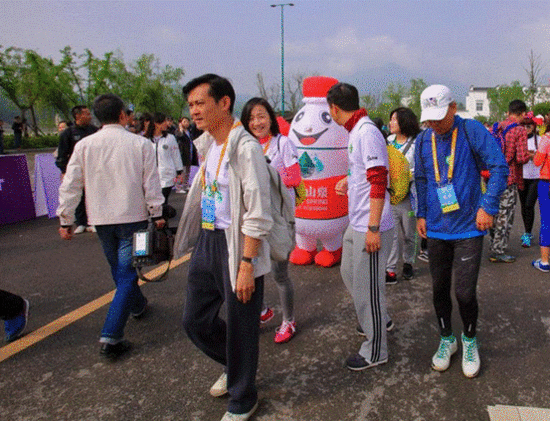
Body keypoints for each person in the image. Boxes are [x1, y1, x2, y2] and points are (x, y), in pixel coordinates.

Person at [175, 74, 272, 421]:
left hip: (238, 246)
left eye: (201, 103)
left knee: (242, 325)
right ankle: (235, 366)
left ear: (225, 103)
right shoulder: (208, 144)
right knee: (194, 320)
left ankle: (243, 397)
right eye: (191, 105)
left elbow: (259, 213)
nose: (194, 111)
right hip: (208, 239)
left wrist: (247, 262)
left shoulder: (245, 148)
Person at [57, 93, 165, 359]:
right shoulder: (140, 144)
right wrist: (157, 212)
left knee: (119, 269)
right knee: (127, 273)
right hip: (135, 220)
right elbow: (151, 183)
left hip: (101, 222)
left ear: (97, 117)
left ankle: (137, 306)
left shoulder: (85, 145)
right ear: (122, 115)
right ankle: (112, 335)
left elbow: (71, 183)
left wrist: (66, 218)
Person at [415, 85, 508, 378]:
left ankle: (469, 340)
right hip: (436, 228)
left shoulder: (471, 130)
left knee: (464, 294)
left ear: (453, 107)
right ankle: (447, 339)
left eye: (440, 117)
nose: (435, 124)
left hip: (469, 225)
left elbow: (499, 167)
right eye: (429, 118)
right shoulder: (422, 140)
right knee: (439, 291)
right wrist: (420, 214)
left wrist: (488, 206)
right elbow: (420, 178)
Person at [327, 82, 395, 371]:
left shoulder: (366, 132)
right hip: (358, 221)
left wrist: (374, 227)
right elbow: (364, 172)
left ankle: (376, 349)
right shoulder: (356, 131)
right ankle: (380, 319)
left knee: (368, 290)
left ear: (334, 108)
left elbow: (379, 178)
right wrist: (348, 180)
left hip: (370, 223)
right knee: (350, 274)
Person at [241, 97, 300, 344]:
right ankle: (263, 311)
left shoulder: (283, 144)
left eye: (262, 116)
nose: (257, 122)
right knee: (251, 271)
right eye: (252, 118)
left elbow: (295, 176)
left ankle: (289, 321)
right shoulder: (245, 146)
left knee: (279, 274)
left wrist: (266, 177)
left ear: (271, 118)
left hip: (276, 220)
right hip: (253, 220)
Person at [489, 100, 530, 263]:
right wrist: (531, 156)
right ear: (522, 113)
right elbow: (521, 157)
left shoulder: (496, 126)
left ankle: (493, 245)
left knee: (493, 212)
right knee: (505, 215)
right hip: (509, 177)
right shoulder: (519, 130)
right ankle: (498, 251)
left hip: (491, 177)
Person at [385, 107, 421, 284]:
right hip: (390, 196)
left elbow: (419, 169)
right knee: (390, 234)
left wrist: (405, 174)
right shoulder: (388, 141)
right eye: (390, 119)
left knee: (409, 233)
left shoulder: (416, 143)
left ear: (404, 122)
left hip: (408, 197)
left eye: (394, 119)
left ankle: (408, 262)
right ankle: (390, 269)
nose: (391, 123)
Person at [55, 105, 98, 234]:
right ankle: (81, 223)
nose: (89, 116)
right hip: (76, 170)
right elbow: (62, 154)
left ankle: (93, 221)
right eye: (86, 114)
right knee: (77, 196)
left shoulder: (95, 130)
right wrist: (64, 170)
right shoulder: (68, 133)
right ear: (78, 116)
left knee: (93, 195)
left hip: (94, 170)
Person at [144, 112, 184, 205]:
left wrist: (179, 172)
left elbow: (176, 155)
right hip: (150, 175)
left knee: (163, 199)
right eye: (163, 122)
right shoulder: (146, 140)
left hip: (166, 175)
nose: (166, 124)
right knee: (153, 201)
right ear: (156, 124)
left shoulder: (170, 138)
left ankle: (162, 217)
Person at [518, 113, 541, 248]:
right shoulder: (519, 140)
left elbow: (543, 158)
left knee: (529, 205)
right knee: (523, 206)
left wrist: (533, 155)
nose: (526, 128)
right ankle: (528, 231)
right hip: (522, 176)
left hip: (536, 177)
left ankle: (527, 233)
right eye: (524, 126)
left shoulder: (540, 139)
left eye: (529, 126)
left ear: (534, 126)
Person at [532, 127, 550, 272]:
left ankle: (544, 261)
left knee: (546, 221)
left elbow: (537, 161)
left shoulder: (546, 139)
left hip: (547, 183)